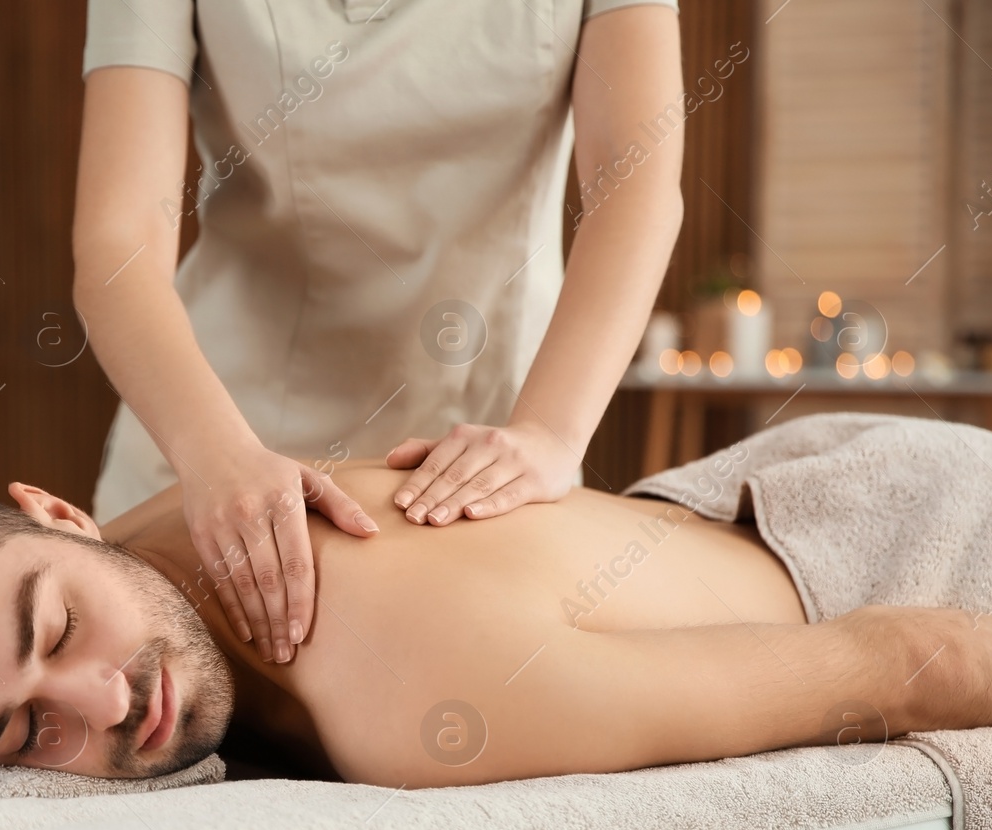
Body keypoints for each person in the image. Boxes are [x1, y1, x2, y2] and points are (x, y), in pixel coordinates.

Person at [0, 418, 992, 789]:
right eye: (21, 735)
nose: (110, 702)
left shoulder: (416, 690)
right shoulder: (155, 538)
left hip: (938, 539)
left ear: (57, 511)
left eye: (54, 631)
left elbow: (903, 662)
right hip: (740, 496)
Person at [72, 0, 686, 668]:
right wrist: (214, 458)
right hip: (213, 457)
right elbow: (118, 240)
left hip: (483, 455)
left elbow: (637, 183)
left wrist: (551, 432)